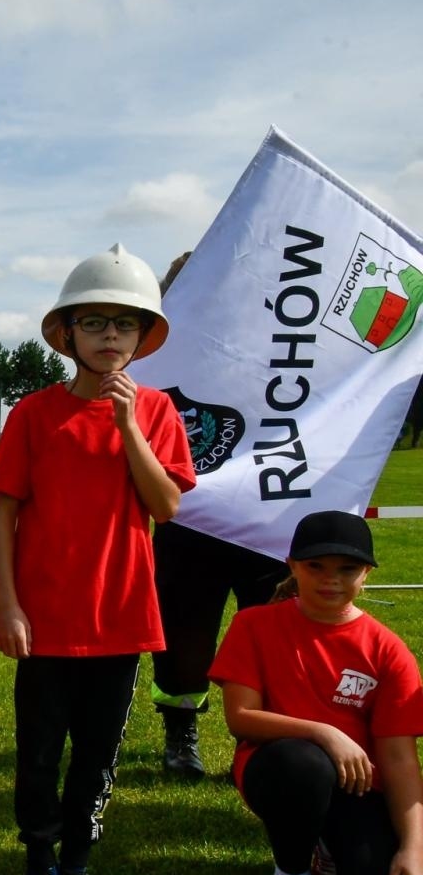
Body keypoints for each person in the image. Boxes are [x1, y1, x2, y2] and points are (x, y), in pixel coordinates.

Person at [0, 244, 196, 875]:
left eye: (126, 325)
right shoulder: (33, 414)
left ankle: (77, 866)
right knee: (41, 751)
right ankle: (39, 870)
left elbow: (164, 506)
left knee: (98, 753)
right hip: (45, 617)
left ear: (142, 338)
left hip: (122, 617)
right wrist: (9, 604)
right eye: (96, 322)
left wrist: (129, 424)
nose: (111, 337)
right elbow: (4, 511)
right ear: (67, 334)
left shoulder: (159, 411)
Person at [212, 510, 423, 875]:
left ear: (366, 573)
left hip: (358, 783)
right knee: (306, 763)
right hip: (279, 768)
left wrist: (414, 848)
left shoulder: (388, 649)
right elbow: (241, 719)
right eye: (316, 567)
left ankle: (328, 843)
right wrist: (324, 732)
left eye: (347, 569)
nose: (331, 579)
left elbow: (399, 757)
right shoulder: (255, 624)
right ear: (292, 565)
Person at [147, 252, 290, 779]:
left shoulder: (275, 341)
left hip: (266, 521)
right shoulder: (156, 350)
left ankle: (264, 740)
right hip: (190, 523)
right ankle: (181, 732)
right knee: (184, 643)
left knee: (274, 637)